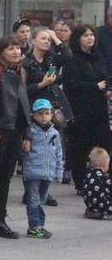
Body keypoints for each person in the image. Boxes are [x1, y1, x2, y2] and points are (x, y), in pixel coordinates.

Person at [0, 35, 32, 240]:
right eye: (10, 48)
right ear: (1, 52)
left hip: (15, 132)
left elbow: (23, 105)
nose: (15, 52)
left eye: (17, 48)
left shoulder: (20, 72)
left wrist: (26, 134)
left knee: (5, 179)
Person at [61, 24, 111, 194]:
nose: (90, 38)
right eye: (85, 35)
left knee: (105, 144)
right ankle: (80, 182)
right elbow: (71, 84)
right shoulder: (72, 59)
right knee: (80, 147)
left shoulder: (97, 57)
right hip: (81, 111)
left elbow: (105, 77)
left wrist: (107, 89)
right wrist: (95, 86)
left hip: (99, 109)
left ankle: (104, 178)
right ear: (78, 39)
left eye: (92, 35)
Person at [20, 98, 63, 239]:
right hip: (33, 172)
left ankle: (40, 225)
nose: (43, 116)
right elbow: (24, 151)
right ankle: (34, 226)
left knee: (42, 199)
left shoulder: (54, 133)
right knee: (33, 199)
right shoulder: (30, 132)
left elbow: (59, 153)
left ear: (51, 114)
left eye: (46, 113)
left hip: (47, 172)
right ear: (33, 115)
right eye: (40, 114)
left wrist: (59, 172)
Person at [22, 27, 71, 105]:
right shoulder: (25, 63)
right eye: (43, 39)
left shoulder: (52, 58)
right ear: (33, 41)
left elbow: (68, 56)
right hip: (36, 105)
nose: (47, 42)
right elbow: (24, 89)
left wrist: (54, 37)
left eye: (49, 40)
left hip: (54, 103)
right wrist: (42, 84)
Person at [83, 147, 111, 219]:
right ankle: (104, 214)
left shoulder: (88, 176)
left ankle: (93, 212)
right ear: (105, 164)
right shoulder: (105, 178)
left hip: (90, 206)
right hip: (103, 207)